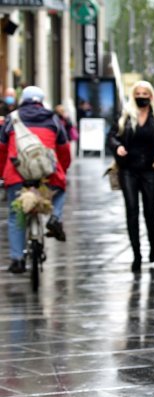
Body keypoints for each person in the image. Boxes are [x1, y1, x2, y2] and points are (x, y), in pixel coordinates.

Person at [0, 85, 71, 273]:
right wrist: (62, 169)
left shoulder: (11, 119)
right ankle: (55, 217)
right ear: (41, 101)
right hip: (46, 174)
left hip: (17, 173)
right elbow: (64, 150)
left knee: (16, 216)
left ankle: (17, 260)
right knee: (61, 189)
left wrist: (2, 173)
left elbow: (1, 149)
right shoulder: (53, 119)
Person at [107, 80, 154, 273]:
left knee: (150, 210)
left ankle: (153, 246)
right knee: (132, 210)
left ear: (151, 96)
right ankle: (136, 254)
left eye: (145, 93)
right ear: (133, 95)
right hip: (129, 170)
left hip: (151, 170)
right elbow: (111, 136)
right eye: (138, 93)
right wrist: (118, 146)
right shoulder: (124, 116)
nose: (141, 97)